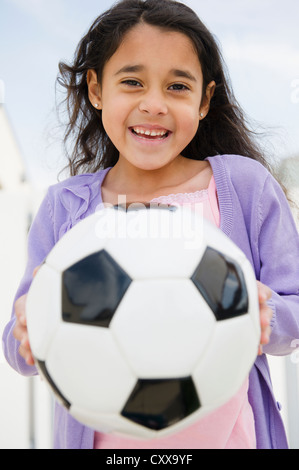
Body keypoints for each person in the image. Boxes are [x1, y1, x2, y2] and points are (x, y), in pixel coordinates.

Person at [3, 0, 299, 449]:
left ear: (204, 100)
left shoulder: (244, 188)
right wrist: (28, 332)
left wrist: (265, 316)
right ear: (97, 90)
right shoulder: (64, 207)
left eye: (178, 86)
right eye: (133, 82)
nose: (154, 104)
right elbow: (17, 348)